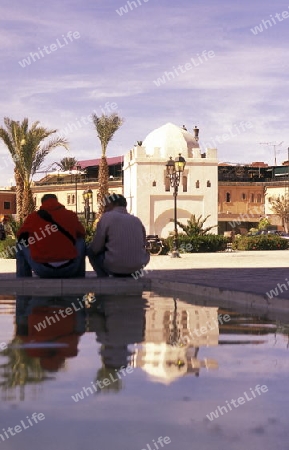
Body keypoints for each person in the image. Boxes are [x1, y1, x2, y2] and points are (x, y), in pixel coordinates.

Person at [16, 194, 86, 278]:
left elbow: (21, 238)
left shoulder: (33, 217)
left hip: (43, 269)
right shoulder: (71, 215)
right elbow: (82, 234)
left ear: (42, 203)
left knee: (19, 245)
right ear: (57, 201)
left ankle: (23, 279)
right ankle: (79, 277)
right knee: (80, 241)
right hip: (70, 268)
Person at [87, 194, 150, 277]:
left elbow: (96, 247)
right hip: (138, 267)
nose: (104, 210)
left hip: (114, 267)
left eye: (106, 206)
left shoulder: (107, 217)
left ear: (115, 204)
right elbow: (144, 243)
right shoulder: (136, 220)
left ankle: (103, 278)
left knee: (89, 250)